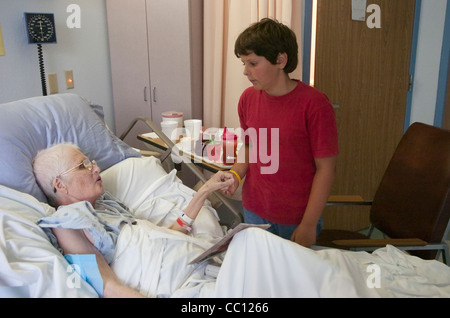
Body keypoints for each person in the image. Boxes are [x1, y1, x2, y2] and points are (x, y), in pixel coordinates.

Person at [32, 143, 234, 298]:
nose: (96, 168)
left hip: (194, 262)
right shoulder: (67, 222)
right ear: (60, 184)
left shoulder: (107, 204)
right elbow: (106, 287)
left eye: (91, 162)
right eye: (83, 166)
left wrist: (205, 190)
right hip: (173, 283)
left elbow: (171, 233)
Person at [222, 18, 339, 247]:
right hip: (255, 210)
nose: (246, 71)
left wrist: (308, 224)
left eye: (253, 63)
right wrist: (236, 174)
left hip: (296, 218)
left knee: (294, 281)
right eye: (244, 63)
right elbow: (249, 146)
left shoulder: (314, 105)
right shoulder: (248, 99)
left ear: (280, 60)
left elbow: (326, 169)